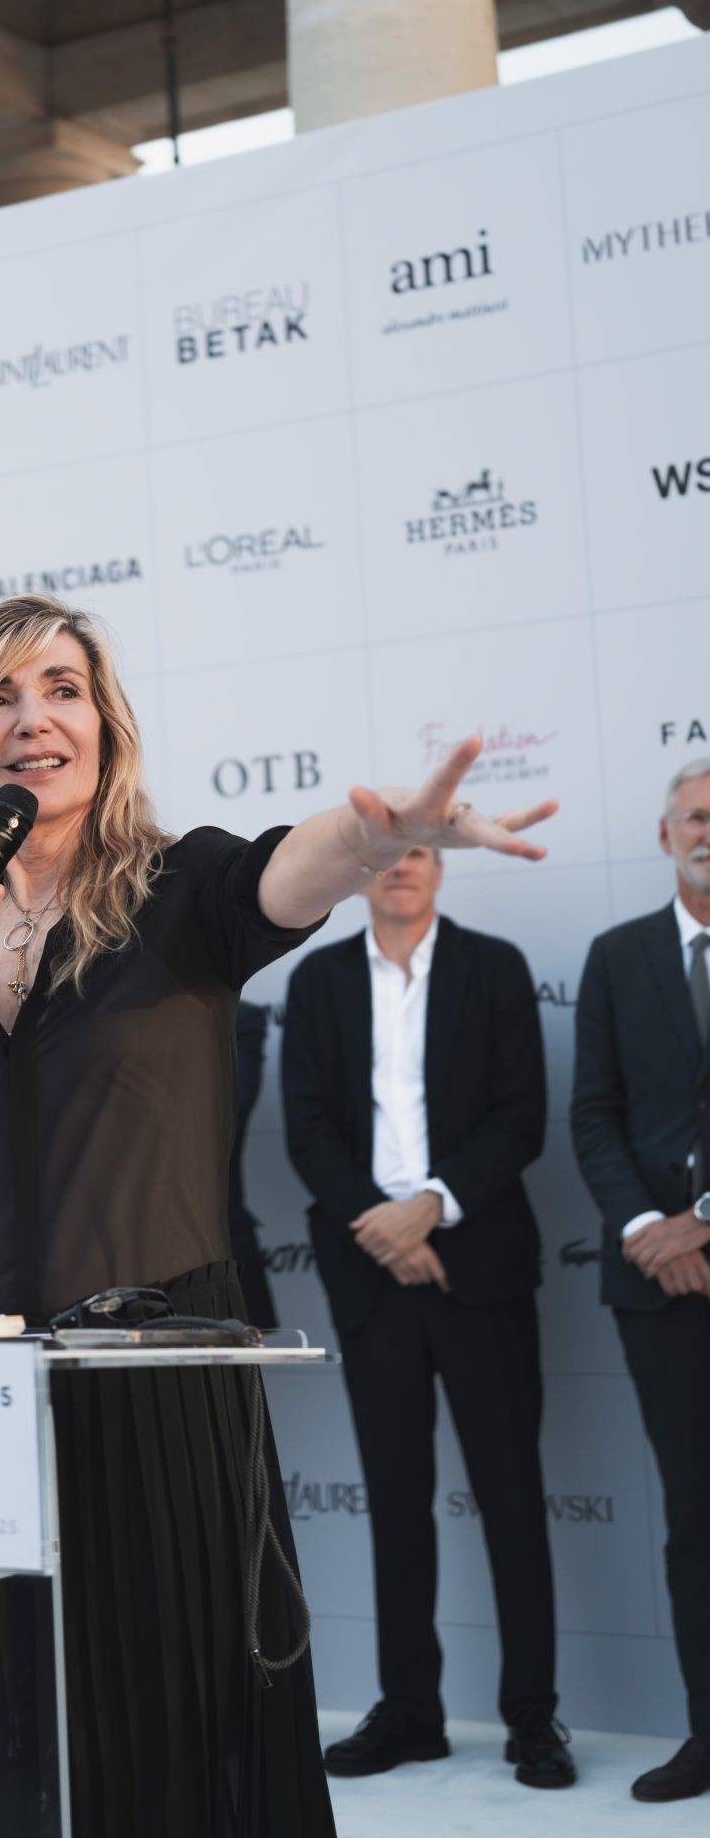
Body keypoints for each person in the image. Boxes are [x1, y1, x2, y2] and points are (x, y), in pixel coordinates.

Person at [0, 594, 556, 1838]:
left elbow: (295, 868)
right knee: (24, 1740)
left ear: (104, 727)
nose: (32, 720)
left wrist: (386, 833)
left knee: (182, 1742)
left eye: (61, 687)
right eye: (0, 696)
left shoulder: (181, 891)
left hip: (162, 1384)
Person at [282, 845, 570, 1790]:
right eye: (383, 854)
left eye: (417, 852)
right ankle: (410, 1713)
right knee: (395, 1504)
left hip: (475, 1268)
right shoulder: (320, 978)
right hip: (373, 1274)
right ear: (359, 873)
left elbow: (520, 1115)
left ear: (438, 869)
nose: (400, 868)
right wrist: (385, 1227)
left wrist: (432, 1206)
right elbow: (308, 1124)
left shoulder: (493, 968)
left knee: (513, 1501)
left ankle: (533, 1719)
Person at [572, 755, 710, 1805]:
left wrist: (699, 1220)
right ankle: (706, 1733)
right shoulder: (617, 955)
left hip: (685, 1244)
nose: (707, 828)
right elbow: (593, 1111)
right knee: (693, 1514)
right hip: (657, 1288)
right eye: (693, 815)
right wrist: (643, 1227)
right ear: (664, 834)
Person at [230, 1000, 278, 1326]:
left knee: (230, 1377)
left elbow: (226, 1115)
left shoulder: (241, 1019)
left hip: (217, 1241)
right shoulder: (83, 1008)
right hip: (92, 1248)